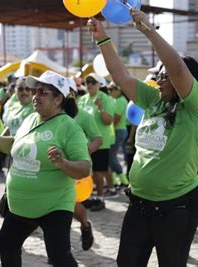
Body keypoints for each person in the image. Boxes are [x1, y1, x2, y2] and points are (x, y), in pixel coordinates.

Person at [88, 9, 198, 266]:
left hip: (177, 208)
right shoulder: (154, 99)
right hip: (139, 205)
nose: (158, 79)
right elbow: (121, 76)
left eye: (162, 75)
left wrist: (148, 30)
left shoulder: (196, 106)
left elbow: (177, 68)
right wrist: (103, 39)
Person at [0, 70, 91, 267]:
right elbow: (15, 145)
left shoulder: (70, 128)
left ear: (57, 99)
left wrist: (64, 163)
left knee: (58, 257)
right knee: (6, 246)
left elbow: (84, 168)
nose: (35, 96)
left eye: (42, 92)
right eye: (35, 91)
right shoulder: (31, 118)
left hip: (54, 205)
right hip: (21, 204)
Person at [68, 78, 102, 251]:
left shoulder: (84, 116)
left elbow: (98, 138)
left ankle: (85, 225)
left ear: (74, 94)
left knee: (72, 203)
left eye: (69, 92)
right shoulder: (51, 116)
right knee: (57, 207)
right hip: (56, 167)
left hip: (78, 168)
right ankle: (58, 248)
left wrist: (85, 152)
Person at [78, 73, 116, 211]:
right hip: (85, 143)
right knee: (88, 172)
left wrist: (100, 108)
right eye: (86, 82)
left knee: (99, 172)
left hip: (101, 142)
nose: (89, 85)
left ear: (99, 84)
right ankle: (88, 196)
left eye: (92, 82)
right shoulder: (82, 99)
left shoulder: (104, 98)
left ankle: (100, 198)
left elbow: (109, 121)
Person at [107, 82, 129, 188]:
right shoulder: (116, 100)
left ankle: (124, 181)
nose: (110, 91)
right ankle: (115, 181)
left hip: (118, 130)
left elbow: (116, 119)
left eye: (112, 89)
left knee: (111, 157)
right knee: (111, 157)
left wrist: (108, 130)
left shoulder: (120, 101)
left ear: (118, 90)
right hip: (118, 130)